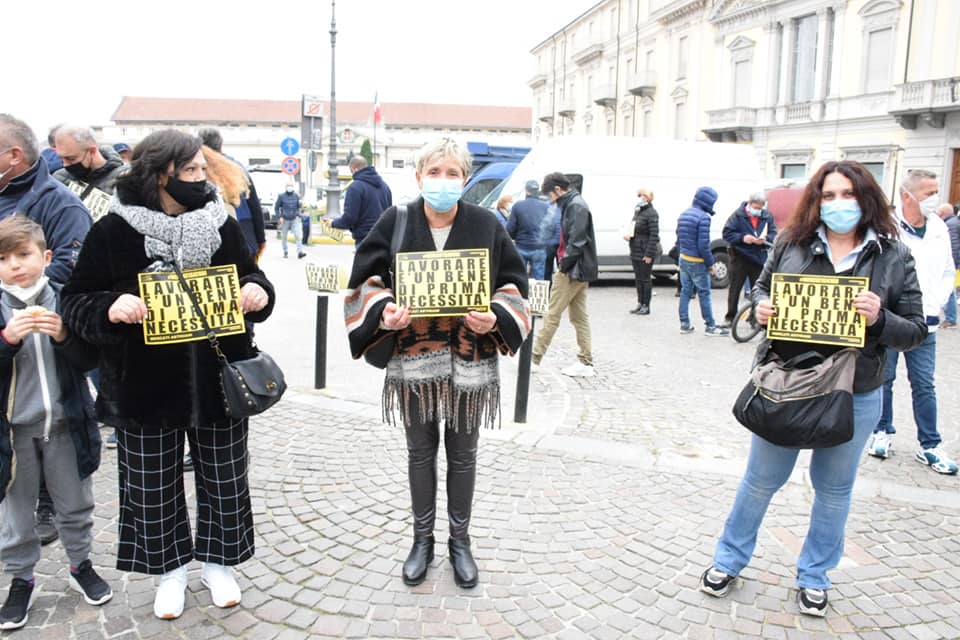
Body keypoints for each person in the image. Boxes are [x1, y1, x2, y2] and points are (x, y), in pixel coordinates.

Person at [60, 129, 276, 620]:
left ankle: (219, 563)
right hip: (143, 385)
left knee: (225, 478)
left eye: (202, 168)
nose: (201, 178)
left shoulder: (221, 223)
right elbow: (75, 299)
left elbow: (253, 277)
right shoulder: (113, 230)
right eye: (190, 170)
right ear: (159, 174)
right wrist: (110, 306)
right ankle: (169, 571)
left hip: (219, 380)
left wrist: (257, 292)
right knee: (151, 485)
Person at [700, 160, 926, 617]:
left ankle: (815, 576)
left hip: (856, 390)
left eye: (848, 194)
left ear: (866, 198)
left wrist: (879, 318)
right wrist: (761, 307)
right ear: (817, 202)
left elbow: (916, 331)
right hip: (787, 383)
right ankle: (728, 560)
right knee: (760, 480)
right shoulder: (791, 242)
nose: (839, 204)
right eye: (829, 195)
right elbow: (761, 290)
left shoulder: (894, 255)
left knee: (834, 489)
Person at [344, 138, 530, 590]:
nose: (443, 181)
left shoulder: (486, 224)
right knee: (420, 452)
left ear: (465, 180)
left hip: (471, 358)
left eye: (452, 173)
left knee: (464, 455)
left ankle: (460, 542)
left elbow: (514, 284)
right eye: (434, 172)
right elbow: (364, 281)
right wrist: (384, 309)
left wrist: (496, 317)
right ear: (419, 176)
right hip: (414, 360)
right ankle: (421, 540)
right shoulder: (396, 219)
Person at [0, 217, 112, 630]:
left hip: (67, 423)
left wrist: (65, 336)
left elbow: (91, 360)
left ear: (45, 257)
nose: (15, 265)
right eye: (3, 258)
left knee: (75, 502)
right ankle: (21, 578)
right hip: (14, 431)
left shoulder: (65, 298)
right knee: (16, 510)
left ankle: (81, 564)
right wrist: (6, 340)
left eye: (23, 254)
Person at [0, 114, 92, 547]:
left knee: (55, 441)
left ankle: (52, 510)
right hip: (10, 368)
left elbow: (73, 271)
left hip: (47, 350)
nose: (13, 264)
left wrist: (19, 302)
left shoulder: (61, 205)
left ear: (13, 156)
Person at [866, 169, 957, 474]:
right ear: (908, 196)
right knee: (885, 378)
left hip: (926, 320)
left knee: (924, 384)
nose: (935, 198)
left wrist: (937, 302)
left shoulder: (938, 228)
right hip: (892, 320)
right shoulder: (886, 229)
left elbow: (947, 270)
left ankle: (929, 444)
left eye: (935, 192)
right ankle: (881, 430)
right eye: (928, 193)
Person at [531, 172, 598, 377]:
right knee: (579, 316)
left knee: (552, 313)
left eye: (550, 195)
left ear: (558, 190)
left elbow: (576, 242)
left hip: (571, 269)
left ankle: (534, 358)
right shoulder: (575, 204)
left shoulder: (575, 206)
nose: (551, 200)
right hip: (578, 268)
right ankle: (585, 361)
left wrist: (563, 267)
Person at [198, 128, 266, 262]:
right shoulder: (236, 167)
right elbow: (254, 205)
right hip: (244, 234)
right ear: (220, 145)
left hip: (208, 241)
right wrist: (260, 239)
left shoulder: (194, 168)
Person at [676, 187, 728, 336]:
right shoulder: (704, 218)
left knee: (685, 292)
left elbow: (679, 239)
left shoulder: (684, 214)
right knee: (704, 293)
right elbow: (703, 245)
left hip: (684, 258)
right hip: (697, 261)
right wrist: (710, 264)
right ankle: (710, 326)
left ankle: (684, 324)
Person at [721, 192, 778, 326]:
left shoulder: (766, 216)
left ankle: (754, 319)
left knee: (757, 290)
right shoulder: (737, 215)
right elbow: (727, 233)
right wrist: (742, 238)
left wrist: (766, 239)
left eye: (760, 208)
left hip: (758, 257)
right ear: (750, 203)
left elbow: (773, 233)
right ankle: (730, 317)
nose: (758, 210)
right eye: (756, 207)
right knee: (735, 289)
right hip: (740, 256)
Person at [325, 155, 392, 245]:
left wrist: (333, 223)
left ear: (354, 169)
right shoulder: (385, 186)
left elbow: (349, 219)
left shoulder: (355, 187)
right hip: (384, 239)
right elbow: (389, 214)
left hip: (365, 240)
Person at [53, 126, 126, 208]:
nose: (65, 164)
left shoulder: (125, 178)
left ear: (92, 151)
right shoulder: (59, 178)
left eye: (71, 158)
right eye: (61, 158)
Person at [625, 187, 660, 315]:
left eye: (643, 196)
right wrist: (629, 235)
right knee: (638, 279)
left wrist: (649, 254)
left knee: (645, 279)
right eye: (639, 196)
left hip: (645, 250)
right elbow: (634, 227)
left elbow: (654, 235)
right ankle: (640, 303)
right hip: (635, 249)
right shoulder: (638, 211)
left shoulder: (652, 213)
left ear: (648, 197)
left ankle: (646, 305)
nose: (640, 198)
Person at [506, 180, 549, 280]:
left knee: (519, 277)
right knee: (539, 281)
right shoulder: (546, 206)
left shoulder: (518, 206)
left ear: (526, 191)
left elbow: (510, 228)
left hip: (521, 246)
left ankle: (522, 290)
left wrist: (516, 237)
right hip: (539, 247)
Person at [936, 202, 959, 328]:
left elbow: (952, 245)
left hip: (950, 261)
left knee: (947, 288)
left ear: (942, 214)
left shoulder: (948, 225)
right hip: (954, 259)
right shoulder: (954, 222)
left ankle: (951, 317)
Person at [275, 182, 305, 258]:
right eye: (288, 185)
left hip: (294, 219)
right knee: (284, 237)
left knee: (298, 236)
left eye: (291, 186)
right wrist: (280, 217)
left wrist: (298, 215)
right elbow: (276, 208)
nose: (290, 187)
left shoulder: (296, 196)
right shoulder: (281, 196)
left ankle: (300, 252)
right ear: (286, 187)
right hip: (285, 220)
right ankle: (285, 251)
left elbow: (298, 207)